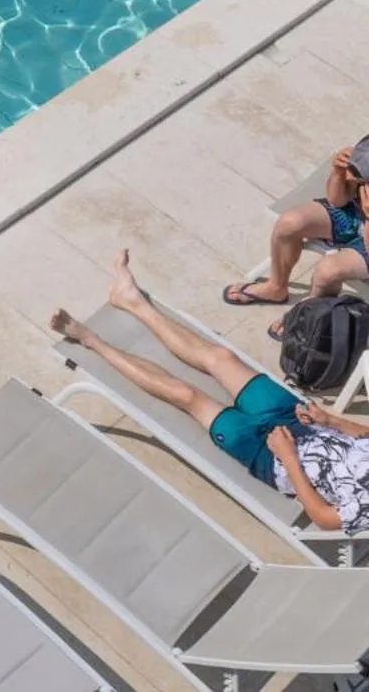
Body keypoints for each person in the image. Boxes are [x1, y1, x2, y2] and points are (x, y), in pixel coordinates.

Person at [55, 250, 369, 533]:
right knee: (221, 358)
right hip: (304, 423)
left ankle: (91, 340)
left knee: (187, 396)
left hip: (270, 459)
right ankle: (131, 299)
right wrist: (330, 421)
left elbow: (323, 518)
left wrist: (288, 458)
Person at [224, 137, 369, 338]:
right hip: (354, 215)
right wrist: (338, 172)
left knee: (327, 271)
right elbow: (336, 201)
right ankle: (276, 287)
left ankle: (309, 318)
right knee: (289, 223)